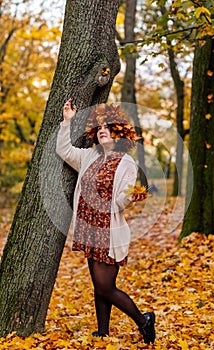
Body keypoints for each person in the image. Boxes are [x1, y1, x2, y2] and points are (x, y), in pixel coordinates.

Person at [56, 99, 155, 344]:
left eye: (108, 127)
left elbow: (121, 201)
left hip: (108, 231)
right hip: (88, 229)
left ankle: (144, 321)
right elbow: (64, 151)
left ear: (118, 133)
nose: (102, 130)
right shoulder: (89, 155)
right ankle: (102, 331)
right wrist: (67, 122)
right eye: (99, 127)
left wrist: (132, 196)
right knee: (99, 285)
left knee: (105, 287)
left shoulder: (126, 163)